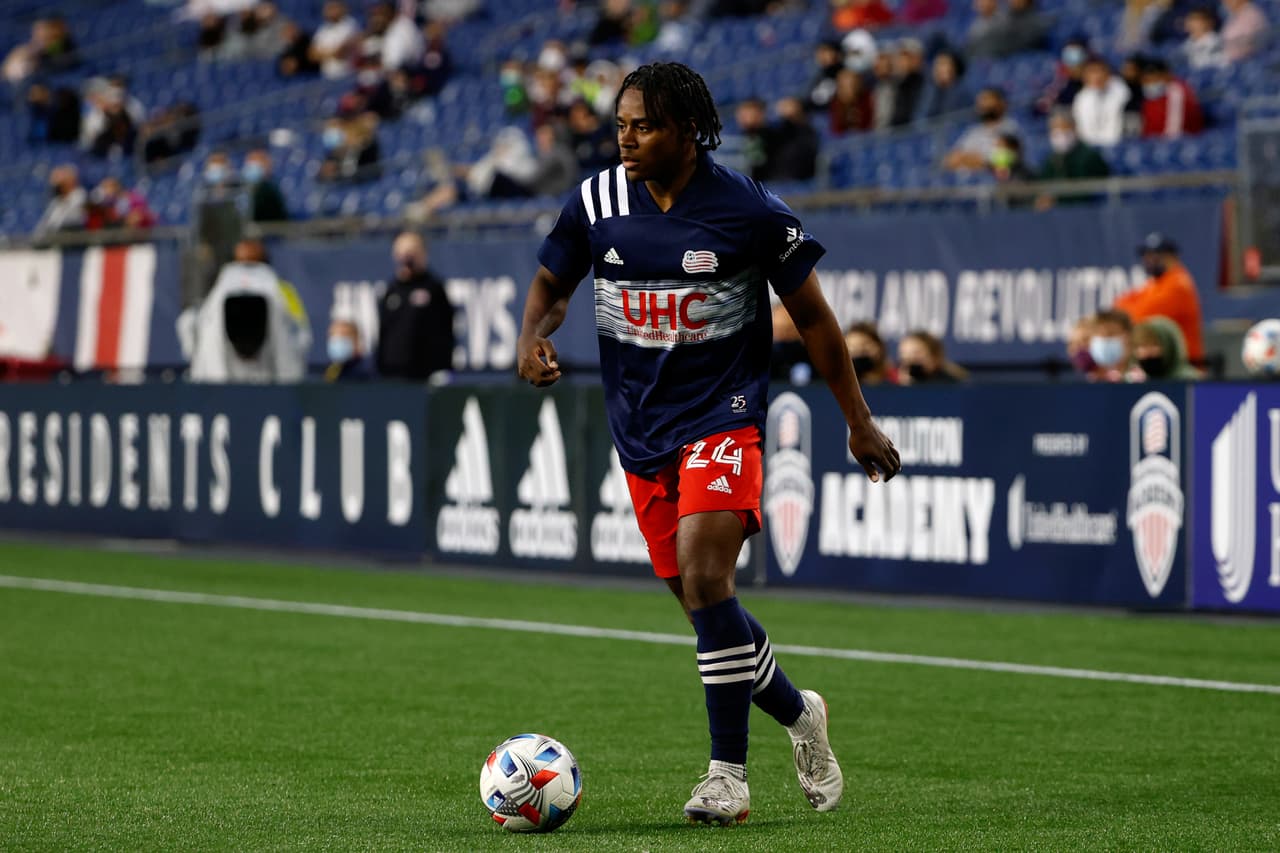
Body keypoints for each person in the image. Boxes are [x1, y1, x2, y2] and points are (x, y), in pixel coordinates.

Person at [517, 62, 900, 826]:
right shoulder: (596, 202)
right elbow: (552, 286)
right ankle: (800, 714)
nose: (626, 139)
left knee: (704, 574)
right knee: (704, 604)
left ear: (687, 131)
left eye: (643, 126)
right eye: (621, 125)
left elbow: (816, 320)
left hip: (723, 415)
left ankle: (727, 776)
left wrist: (858, 419)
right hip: (641, 428)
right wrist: (531, 336)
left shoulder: (747, 209)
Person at [186, 240, 309, 383]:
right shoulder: (283, 290)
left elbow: (191, 328)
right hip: (270, 384)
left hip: (225, 384)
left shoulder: (216, 291)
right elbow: (302, 336)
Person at [1113, 231, 1205, 364]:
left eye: (1156, 255)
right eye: (1146, 255)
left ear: (1172, 258)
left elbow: (1138, 316)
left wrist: (1125, 311)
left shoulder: (1178, 284)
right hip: (1161, 363)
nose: (1149, 260)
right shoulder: (1156, 283)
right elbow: (1120, 304)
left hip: (1183, 365)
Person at [376, 231, 455, 380]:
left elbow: (446, 329)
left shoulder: (434, 288)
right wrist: (380, 366)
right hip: (392, 373)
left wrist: (443, 368)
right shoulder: (391, 290)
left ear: (423, 254)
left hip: (425, 373)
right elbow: (383, 331)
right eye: (403, 251)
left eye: (412, 251)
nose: (407, 257)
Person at [1034, 110, 1110, 209]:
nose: (1060, 136)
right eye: (1056, 131)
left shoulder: (1089, 157)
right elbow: (1043, 186)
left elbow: (1083, 192)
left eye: (1065, 130)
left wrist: (1056, 200)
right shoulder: (1051, 159)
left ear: (1074, 129)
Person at [943, 87, 1019, 171]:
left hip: (995, 177)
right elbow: (950, 160)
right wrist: (976, 160)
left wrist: (978, 160)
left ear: (1000, 103)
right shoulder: (974, 131)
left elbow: (1008, 158)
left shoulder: (1010, 127)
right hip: (967, 177)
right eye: (980, 100)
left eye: (986, 99)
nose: (981, 104)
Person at [1072, 57, 1130, 147]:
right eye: (1092, 72)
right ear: (1085, 76)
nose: (1097, 76)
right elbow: (1085, 131)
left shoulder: (1120, 89)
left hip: (1118, 143)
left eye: (1100, 71)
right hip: (1092, 145)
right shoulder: (1081, 99)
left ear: (1107, 73)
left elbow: (1115, 121)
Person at [1140, 58, 1203, 139]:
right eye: (1146, 80)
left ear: (1165, 75)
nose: (1150, 84)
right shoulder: (1151, 97)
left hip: (1181, 141)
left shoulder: (1177, 91)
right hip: (1154, 140)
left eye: (1153, 79)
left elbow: (1174, 131)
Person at [1132, 316, 1202, 380]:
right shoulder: (1134, 380)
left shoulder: (1190, 380)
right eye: (1142, 346)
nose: (1147, 352)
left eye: (1154, 345)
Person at [34, 165, 87, 239]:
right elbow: (47, 222)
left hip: (73, 235)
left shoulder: (79, 195)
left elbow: (74, 218)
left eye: (62, 181)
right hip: (55, 237)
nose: (57, 185)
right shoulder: (56, 201)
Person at [310, 1, 359, 79]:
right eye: (328, 8)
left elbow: (340, 53)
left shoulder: (350, 24)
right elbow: (312, 55)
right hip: (327, 76)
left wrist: (322, 52)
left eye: (333, 8)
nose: (329, 11)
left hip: (347, 75)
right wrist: (332, 52)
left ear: (342, 8)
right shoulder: (323, 28)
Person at [1087, 309, 1138, 382]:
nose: (1104, 340)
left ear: (1128, 336)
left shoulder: (1143, 375)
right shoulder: (1089, 378)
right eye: (1099, 334)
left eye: (1110, 334)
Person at [897, 330, 966, 383]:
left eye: (916, 353)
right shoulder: (897, 384)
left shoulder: (950, 383)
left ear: (934, 357)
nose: (910, 360)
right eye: (904, 355)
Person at [918, 49, 968, 121]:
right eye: (936, 64)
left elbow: (955, 119)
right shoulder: (930, 90)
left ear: (954, 67)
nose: (937, 69)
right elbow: (922, 118)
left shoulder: (963, 92)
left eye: (942, 64)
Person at [243, 149, 289, 221]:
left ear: (266, 167)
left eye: (255, 166)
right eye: (249, 165)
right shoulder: (251, 187)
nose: (251, 169)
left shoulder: (269, 189)